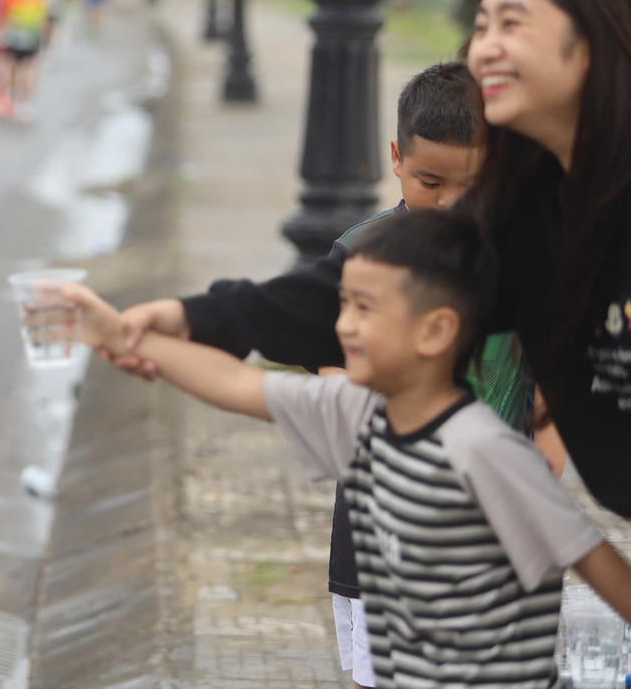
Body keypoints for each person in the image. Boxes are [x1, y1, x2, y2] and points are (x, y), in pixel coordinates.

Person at [109, 61, 543, 689]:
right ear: (395, 157)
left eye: (470, 187)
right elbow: (314, 362)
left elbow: (545, 400)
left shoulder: (525, 262)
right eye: (429, 181)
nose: (449, 205)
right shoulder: (361, 259)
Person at [63, 210, 631, 688]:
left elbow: (599, 564)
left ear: (435, 331)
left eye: (366, 309)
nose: (344, 327)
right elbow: (235, 385)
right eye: (342, 307)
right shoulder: (354, 416)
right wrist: (120, 337)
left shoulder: (487, 452)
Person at [464, 0, 631, 519]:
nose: (484, 49)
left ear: (592, 42)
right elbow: (399, 279)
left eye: (511, 25)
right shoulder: (523, 212)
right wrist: (198, 318)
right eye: (481, 27)